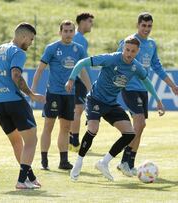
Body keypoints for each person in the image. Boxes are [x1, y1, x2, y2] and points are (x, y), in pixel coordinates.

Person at [66, 36, 165, 181]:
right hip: (95, 99)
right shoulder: (111, 59)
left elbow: (146, 81)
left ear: (137, 52)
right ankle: (78, 163)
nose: (129, 53)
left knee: (130, 133)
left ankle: (103, 162)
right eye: (127, 50)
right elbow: (82, 62)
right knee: (93, 129)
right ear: (123, 48)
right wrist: (71, 78)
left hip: (111, 103)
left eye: (132, 51)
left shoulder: (136, 67)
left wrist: (157, 99)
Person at [116, 12, 178, 176]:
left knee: (142, 126)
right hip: (129, 88)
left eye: (149, 26)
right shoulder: (128, 42)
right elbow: (116, 62)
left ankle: (129, 163)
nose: (146, 29)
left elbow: (158, 68)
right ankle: (125, 161)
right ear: (138, 25)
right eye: (143, 26)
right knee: (138, 123)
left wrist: (173, 86)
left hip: (142, 89)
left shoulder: (152, 44)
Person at [0, 22, 46, 189]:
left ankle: (30, 178)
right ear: (23, 36)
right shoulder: (17, 52)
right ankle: (21, 180)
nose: (31, 43)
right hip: (15, 102)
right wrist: (31, 94)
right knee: (31, 141)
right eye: (31, 39)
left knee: (17, 143)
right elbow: (16, 74)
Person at [31, 20, 91, 170]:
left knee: (65, 128)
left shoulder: (79, 49)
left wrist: (91, 90)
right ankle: (44, 160)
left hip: (69, 94)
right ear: (60, 32)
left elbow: (82, 71)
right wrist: (32, 89)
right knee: (48, 127)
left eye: (71, 31)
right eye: (65, 31)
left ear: (74, 32)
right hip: (53, 94)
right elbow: (40, 70)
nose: (68, 34)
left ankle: (63, 161)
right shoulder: (52, 48)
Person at [69, 13, 95, 152]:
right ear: (82, 22)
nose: (91, 24)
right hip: (79, 80)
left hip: (78, 79)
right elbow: (79, 63)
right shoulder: (79, 39)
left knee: (76, 110)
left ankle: (70, 141)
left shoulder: (81, 39)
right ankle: (75, 143)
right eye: (90, 21)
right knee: (78, 110)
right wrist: (87, 83)